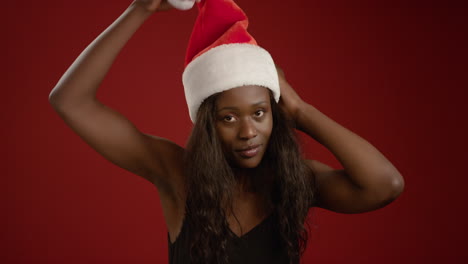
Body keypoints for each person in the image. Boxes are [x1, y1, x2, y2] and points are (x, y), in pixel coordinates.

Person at [48, 0, 405, 263]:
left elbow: (385, 185)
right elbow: (70, 101)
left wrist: (300, 110)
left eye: (260, 113)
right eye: (229, 118)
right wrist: (139, 9)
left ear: (274, 115)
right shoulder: (177, 175)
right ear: (208, 125)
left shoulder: (293, 180)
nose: (249, 131)